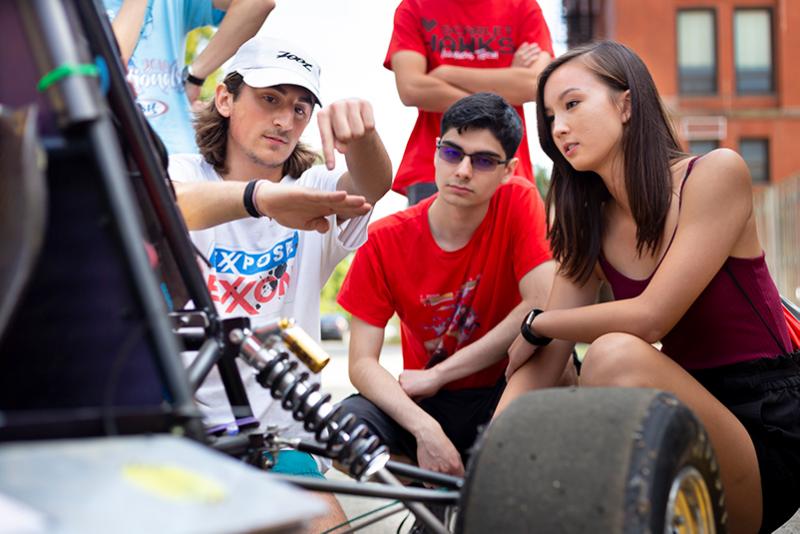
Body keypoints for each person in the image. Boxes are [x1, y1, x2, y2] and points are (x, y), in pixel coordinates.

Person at [499, 41, 800, 534]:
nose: (559, 128)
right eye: (550, 116)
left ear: (626, 103)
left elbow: (650, 318)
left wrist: (539, 323)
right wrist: (491, 452)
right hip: (680, 415)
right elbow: (544, 365)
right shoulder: (588, 224)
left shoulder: (715, 174)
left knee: (612, 356)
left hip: (764, 430)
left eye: (572, 104)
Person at [169, 35, 392, 530]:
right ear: (225, 99)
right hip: (184, 438)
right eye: (269, 98)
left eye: (300, 108)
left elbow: (372, 185)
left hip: (282, 440)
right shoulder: (182, 170)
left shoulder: (310, 190)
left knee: (325, 524)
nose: (285, 120)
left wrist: (365, 139)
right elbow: (169, 202)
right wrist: (260, 198)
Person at [336, 93, 560, 478]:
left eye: (484, 160)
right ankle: (431, 501)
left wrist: (440, 373)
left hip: (505, 387)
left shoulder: (518, 199)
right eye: (453, 153)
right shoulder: (384, 239)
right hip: (428, 401)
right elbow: (361, 363)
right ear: (437, 152)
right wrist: (425, 429)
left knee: (557, 358)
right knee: (341, 433)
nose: (463, 171)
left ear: (509, 170)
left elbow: (539, 303)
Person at [385, 0, 554, 204]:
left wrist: (445, 73)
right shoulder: (415, 6)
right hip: (435, 169)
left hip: (504, 168)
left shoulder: (523, 6)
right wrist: (507, 78)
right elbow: (412, 89)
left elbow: (534, 84)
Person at [104, 0, 275, 154]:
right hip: (107, 152)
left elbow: (259, 3)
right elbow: (112, 68)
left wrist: (195, 75)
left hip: (175, 155)